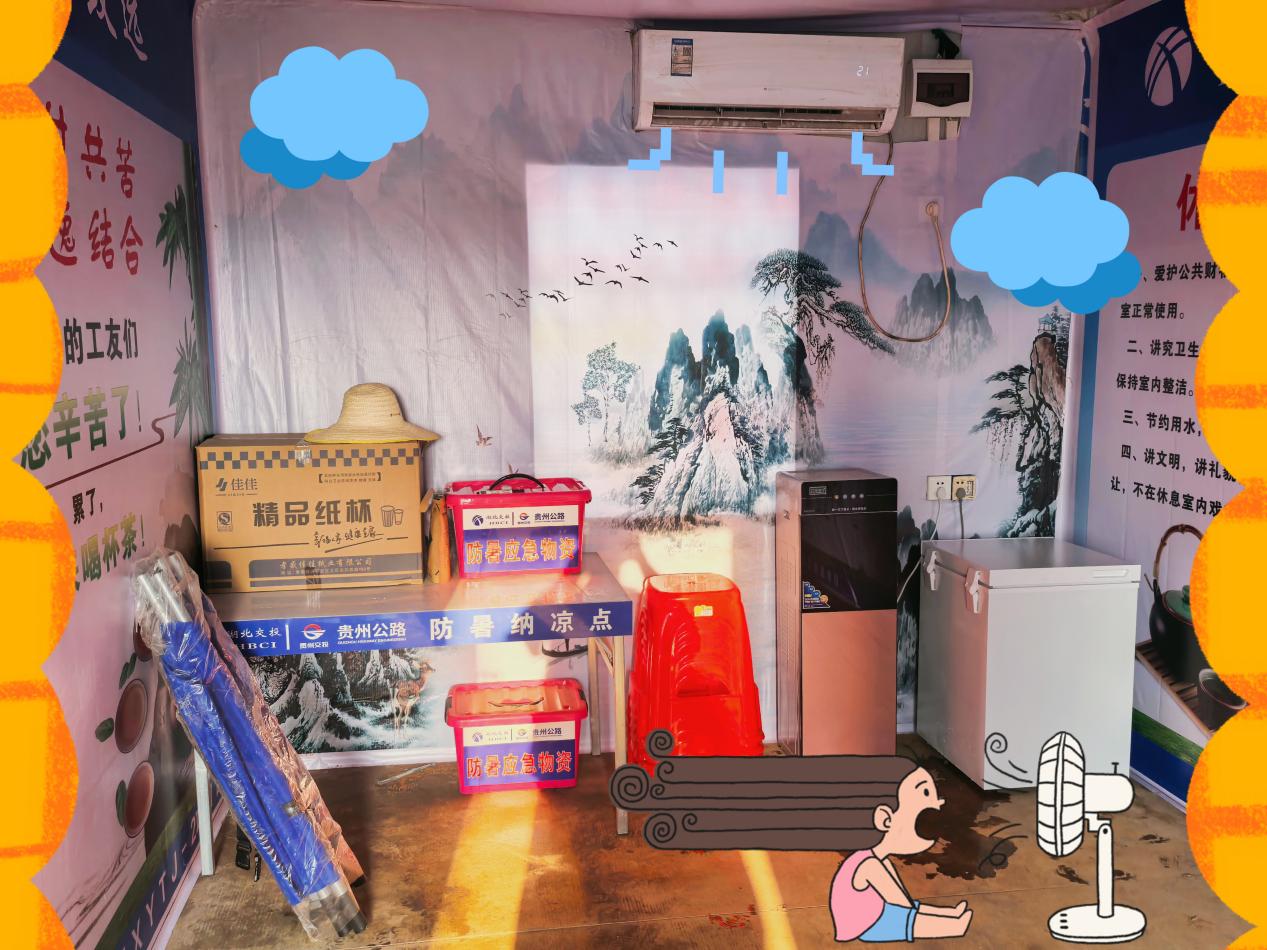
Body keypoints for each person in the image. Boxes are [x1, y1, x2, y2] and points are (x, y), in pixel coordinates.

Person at [830, 761, 973, 942]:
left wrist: (946, 913)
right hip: (866, 926)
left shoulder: (874, 858)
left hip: (876, 914)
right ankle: (954, 926)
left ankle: (951, 917)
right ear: (885, 819)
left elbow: (905, 900)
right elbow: (902, 904)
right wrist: (943, 921)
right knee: (905, 918)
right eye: (925, 795)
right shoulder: (870, 865)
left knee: (904, 912)